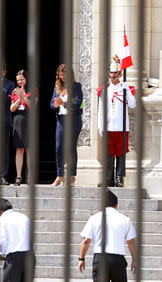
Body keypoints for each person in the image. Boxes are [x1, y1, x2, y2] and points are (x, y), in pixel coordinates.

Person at [78, 190, 136, 281]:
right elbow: (131, 242)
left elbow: (86, 241)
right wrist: (134, 259)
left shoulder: (94, 218)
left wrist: (81, 259)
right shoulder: (125, 219)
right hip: (118, 260)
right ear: (117, 204)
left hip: (100, 260)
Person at [97, 56, 136, 187]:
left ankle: (119, 178)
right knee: (108, 154)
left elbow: (133, 105)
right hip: (108, 127)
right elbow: (101, 110)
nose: (113, 75)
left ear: (120, 74)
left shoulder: (125, 88)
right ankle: (108, 178)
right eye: (111, 73)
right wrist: (100, 127)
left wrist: (127, 90)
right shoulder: (104, 90)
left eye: (116, 73)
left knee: (121, 154)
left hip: (121, 127)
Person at [50, 64, 83, 186]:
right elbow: (51, 103)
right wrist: (55, 105)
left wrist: (64, 102)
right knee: (59, 147)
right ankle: (60, 176)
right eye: (60, 74)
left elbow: (78, 102)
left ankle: (72, 177)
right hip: (61, 120)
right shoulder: (57, 86)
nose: (62, 76)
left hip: (74, 120)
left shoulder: (76, 86)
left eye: (64, 74)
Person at [10, 70, 37, 186]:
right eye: (18, 80)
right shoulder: (14, 91)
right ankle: (18, 176)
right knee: (19, 149)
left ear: (26, 79)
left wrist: (24, 97)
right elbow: (11, 108)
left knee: (29, 149)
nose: (19, 82)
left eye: (21, 79)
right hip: (18, 120)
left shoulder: (33, 90)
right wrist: (19, 99)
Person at [0, 198, 35, 282]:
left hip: (15, 259)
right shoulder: (24, 217)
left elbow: (2, 240)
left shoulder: (3, 219)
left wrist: (2, 254)